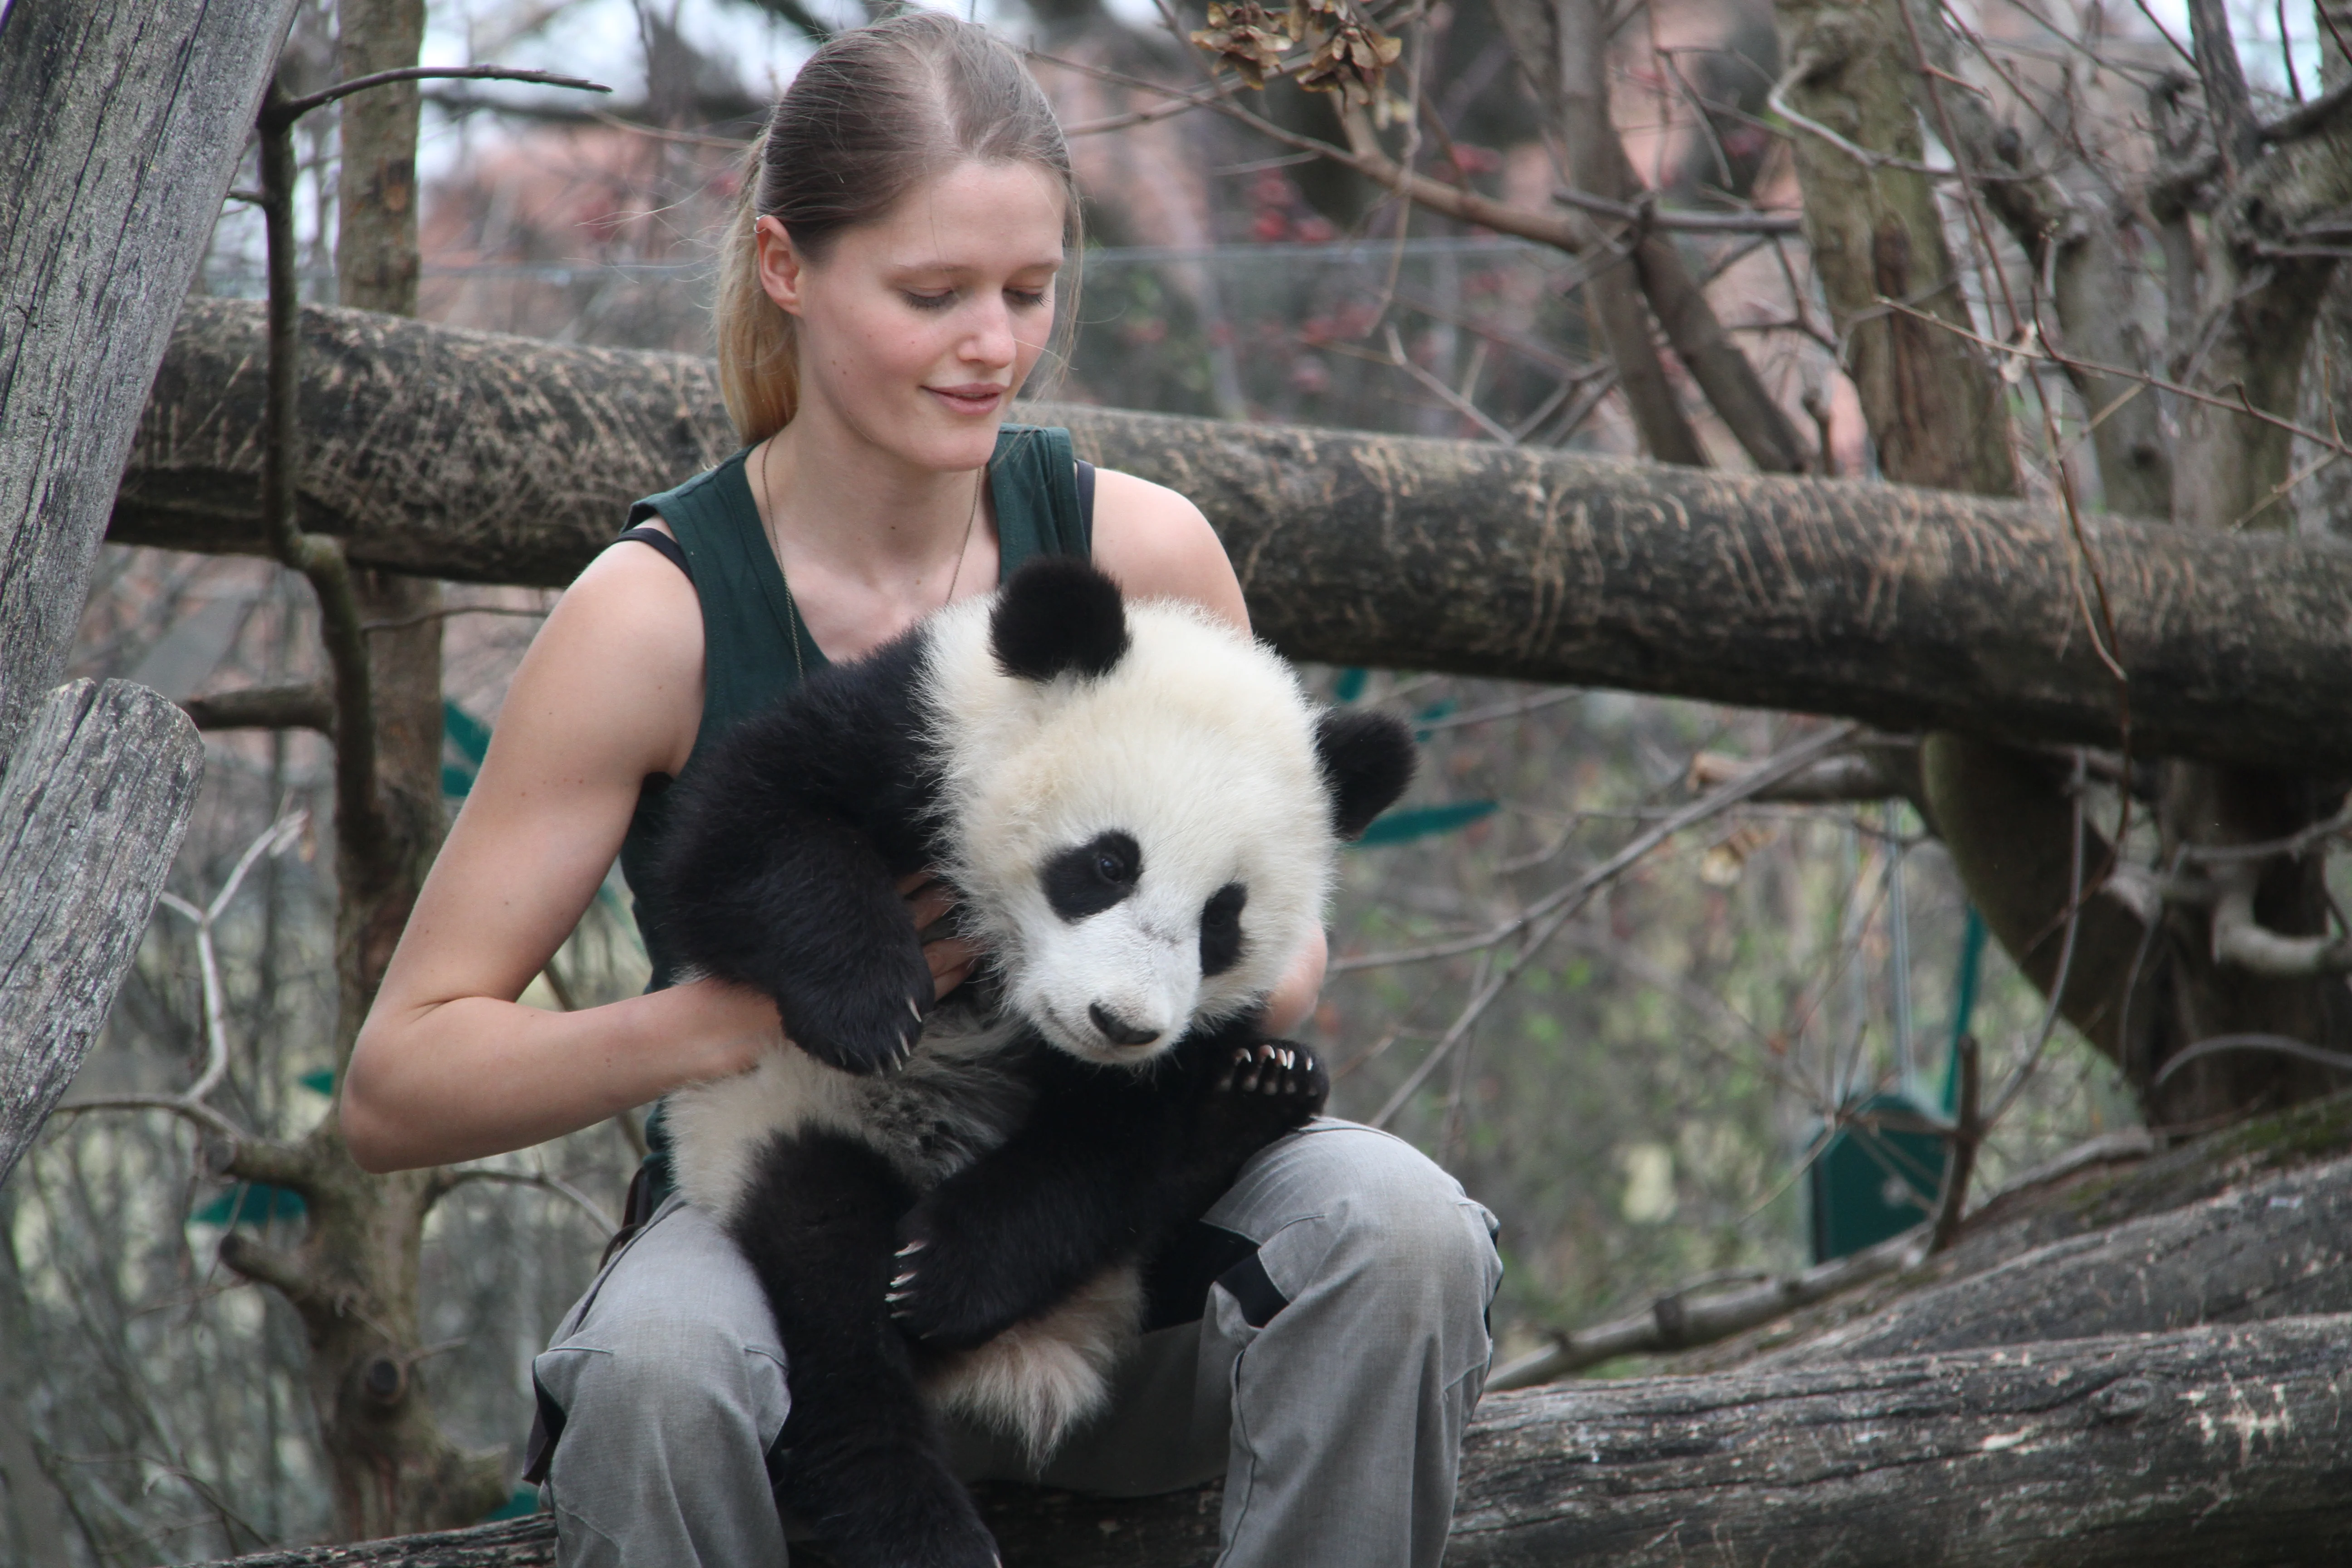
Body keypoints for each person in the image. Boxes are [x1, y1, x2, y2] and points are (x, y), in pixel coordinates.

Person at [344, 14, 1501, 1566]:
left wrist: (1171, 987)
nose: (993, 346)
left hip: (1101, 1218)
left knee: (1403, 1229)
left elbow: (1285, 935)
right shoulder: (654, 618)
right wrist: (735, 1016)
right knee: (652, 1369)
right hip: (800, 1233)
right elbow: (398, 1083)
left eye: (1028, 293)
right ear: (786, 266)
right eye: (933, 293)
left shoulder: (1141, 552)